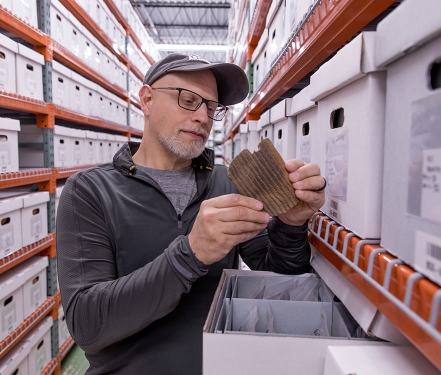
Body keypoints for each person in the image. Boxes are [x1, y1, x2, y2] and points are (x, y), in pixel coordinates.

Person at [56, 53, 326, 374]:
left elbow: (282, 280)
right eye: (188, 100)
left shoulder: (228, 182)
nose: (203, 117)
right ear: (147, 99)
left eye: (212, 108)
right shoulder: (89, 192)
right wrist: (190, 254)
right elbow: (88, 324)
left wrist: (291, 225)